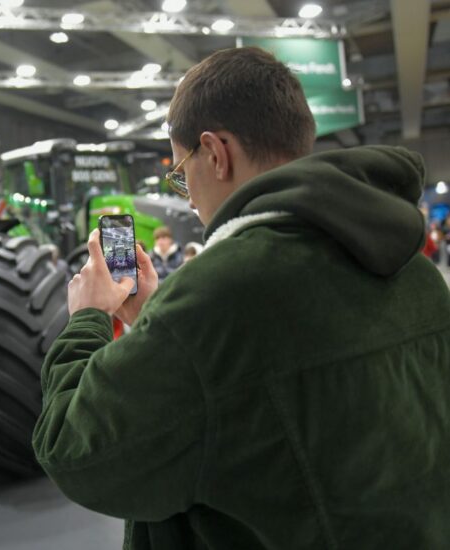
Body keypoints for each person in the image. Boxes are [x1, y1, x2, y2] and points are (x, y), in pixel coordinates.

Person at [32, 46, 450, 550]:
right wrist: (157, 318)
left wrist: (88, 317)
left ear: (215, 152)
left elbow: (75, 451)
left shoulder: (217, 296)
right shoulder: (415, 271)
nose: (188, 196)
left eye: (181, 172)